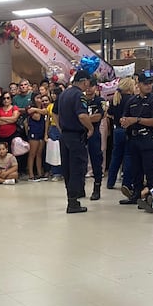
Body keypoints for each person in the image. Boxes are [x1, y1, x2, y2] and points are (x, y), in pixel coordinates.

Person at [119, 74, 153, 208]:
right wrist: (124, 121)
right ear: (138, 85)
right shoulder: (132, 100)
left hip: (147, 138)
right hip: (133, 138)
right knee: (136, 170)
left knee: (150, 171)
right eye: (145, 83)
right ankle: (136, 195)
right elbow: (125, 116)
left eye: (150, 83)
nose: (148, 86)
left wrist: (137, 120)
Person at [57, 71, 94, 213]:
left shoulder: (64, 94)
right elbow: (82, 115)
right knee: (77, 168)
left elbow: (56, 113)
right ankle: (73, 201)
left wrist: (62, 129)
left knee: (67, 169)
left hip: (65, 135)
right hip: (75, 137)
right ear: (84, 81)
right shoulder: (79, 95)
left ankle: (70, 198)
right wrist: (90, 128)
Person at [107, 78, 135, 191]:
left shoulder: (115, 99)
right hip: (128, 130)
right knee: (128, 157)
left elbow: (110, 114)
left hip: (117, 130)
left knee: (116, 157)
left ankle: (110, 181)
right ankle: (126, 183)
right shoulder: (132, 99)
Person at [85, 78, 106, 200]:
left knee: (96, 160)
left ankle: (97, 187)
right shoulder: (80, 100)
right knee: (80, 160)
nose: (88, 89)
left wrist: (84, 118)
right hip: (81, 133)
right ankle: (79, 188)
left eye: (91, 86)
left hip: (94, 133)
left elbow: (98, 116)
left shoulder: (100, 101)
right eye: (87, 86)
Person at [25, 93, 48, 181]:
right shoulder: (29, 107)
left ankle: (39, 173)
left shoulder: (38, 108)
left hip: (41, 132)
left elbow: (46, 112)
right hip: (34, 132)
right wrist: (37, 109)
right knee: (32, 154)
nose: (40, 100)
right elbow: (37, 117)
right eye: (38, 98)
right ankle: (31, 174)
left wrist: (36, 109)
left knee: (39, 154)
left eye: (40, 98)